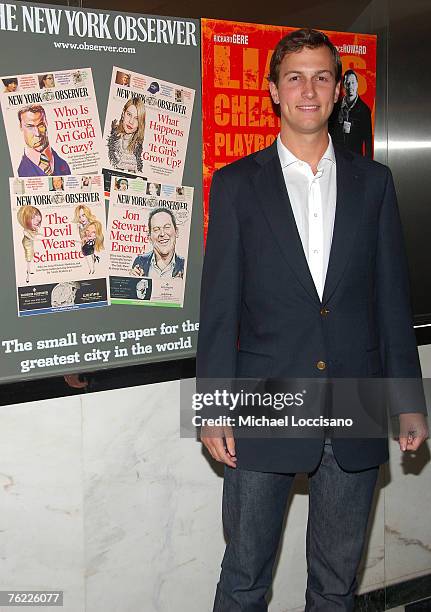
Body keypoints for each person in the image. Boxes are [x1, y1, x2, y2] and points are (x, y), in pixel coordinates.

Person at [196, 28, 428, 611]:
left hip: (357, 398)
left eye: (322, 76)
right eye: (295, 77)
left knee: (336, 583)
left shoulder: (374, 184)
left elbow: (391, 303)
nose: (309, 89)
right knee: (244, 575)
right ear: (273, 90)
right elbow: (219, 310)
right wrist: (211, 410)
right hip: (263, 401)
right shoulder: (236, 184)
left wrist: (409, 401)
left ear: (339, 88)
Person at [329, 69, 373, 157]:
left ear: (357, 84)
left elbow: (368, 141)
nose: (350, 86)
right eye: (347, 83)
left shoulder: (364, 110)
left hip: (355, 159)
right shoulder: (335, 107)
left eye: (353, 82)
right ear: (344, 85)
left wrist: (368, 163)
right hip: (336, 157)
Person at [17, 105, 71, 177]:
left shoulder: (63, 163)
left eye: (41, 125)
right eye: (30, 127)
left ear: (46, 123)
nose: (37, 133)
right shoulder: (21, 170)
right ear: (21, 127)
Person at [130, 208, 184, 278]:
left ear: (176, 232)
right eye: (156, 229)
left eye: (167, 227)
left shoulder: (185, 265)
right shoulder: (139, 262)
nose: (162, 234)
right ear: (149, 237)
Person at [107, 97, 145, 174]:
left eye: (137, 118)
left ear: (140, 123)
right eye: (129, 114)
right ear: (123, 113)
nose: (131, 121)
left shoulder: (138, 147)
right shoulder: (113, 139)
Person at [17, 205, 42, 283]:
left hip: (30, 243)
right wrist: (38, 238)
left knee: (31, 255)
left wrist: (40, 234)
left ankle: (29, 270)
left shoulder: (31, 228)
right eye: (32, 217)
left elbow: (33, 235)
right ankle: (27, 275)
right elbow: (31, 238)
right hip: (27, 243)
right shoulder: (25, 230)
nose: (37, 219)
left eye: (37, 215)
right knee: (28, 258)